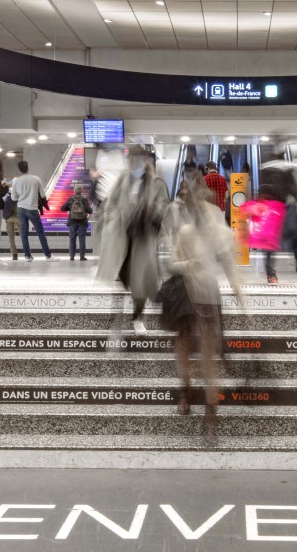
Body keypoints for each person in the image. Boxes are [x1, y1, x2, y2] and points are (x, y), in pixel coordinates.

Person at [163, 166, 246, 442]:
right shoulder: (182, 223)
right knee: (184, 343)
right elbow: (172, 259)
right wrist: (189, 264)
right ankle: (185, 389)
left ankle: (211, 412)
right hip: (184, 293)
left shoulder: (213, 219)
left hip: (208, 294)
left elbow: (225, 256)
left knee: (210, 354)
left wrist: (238, 291)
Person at [95, 146, 168, 336]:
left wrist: (153, 212)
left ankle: (138, 318)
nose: (134, 162)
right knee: (121, 279)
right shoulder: (123, 180)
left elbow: (163, 208)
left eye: (138, 159)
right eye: (131, 158)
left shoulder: (157, 183)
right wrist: (113, 222)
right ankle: (117, 317)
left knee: (141, 282)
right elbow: (111, 204)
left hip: (144, 239)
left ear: (145, 161)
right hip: (122, 238)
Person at [8, 159, 51, 260]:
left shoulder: (16, 181)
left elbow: (13, 198)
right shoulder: (36, 179)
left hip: (21, 208)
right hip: (32, 208)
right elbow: (43, 195)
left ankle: (27, 256)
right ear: (28, 167)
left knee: (24, 233)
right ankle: (48, 255)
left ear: (19, 169)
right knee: (40, 232)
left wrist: (22, 196)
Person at [65, 179, 94, 261]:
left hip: (72, 221)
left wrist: (69, 207)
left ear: (74, 190)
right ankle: (82, 256)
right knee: (82, 239)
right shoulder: (84, 199)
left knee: (72, 238)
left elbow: (62, 208)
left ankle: (72, 256)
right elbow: (90, 211)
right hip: (82, 221)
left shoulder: (70, 199)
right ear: (81, 190)